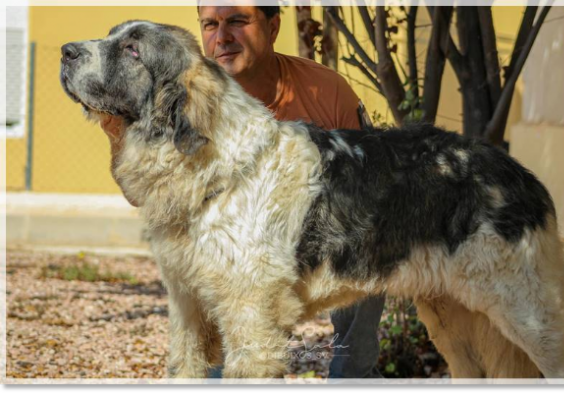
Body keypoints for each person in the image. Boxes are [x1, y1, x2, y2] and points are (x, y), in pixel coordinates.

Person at [100, 5, 384, 379]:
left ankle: (354, 374)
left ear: (274, 25)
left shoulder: (327, 90)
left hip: (316, 235)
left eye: (237, 21)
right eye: (210, 24)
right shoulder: (182, 88)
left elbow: (368, 189)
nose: (222, 37)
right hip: (227, 255)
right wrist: (117, 135)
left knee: (371, 242)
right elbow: (140, 196)